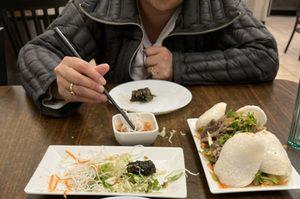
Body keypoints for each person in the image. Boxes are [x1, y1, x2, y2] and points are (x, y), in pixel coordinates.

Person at [18, 0, 279, 118]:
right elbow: (36, 50)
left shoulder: (219, 4)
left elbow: (264, 55)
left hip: (196, 133)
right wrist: (57, 82)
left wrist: (180, 65)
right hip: (111, 129)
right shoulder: (97, 4)